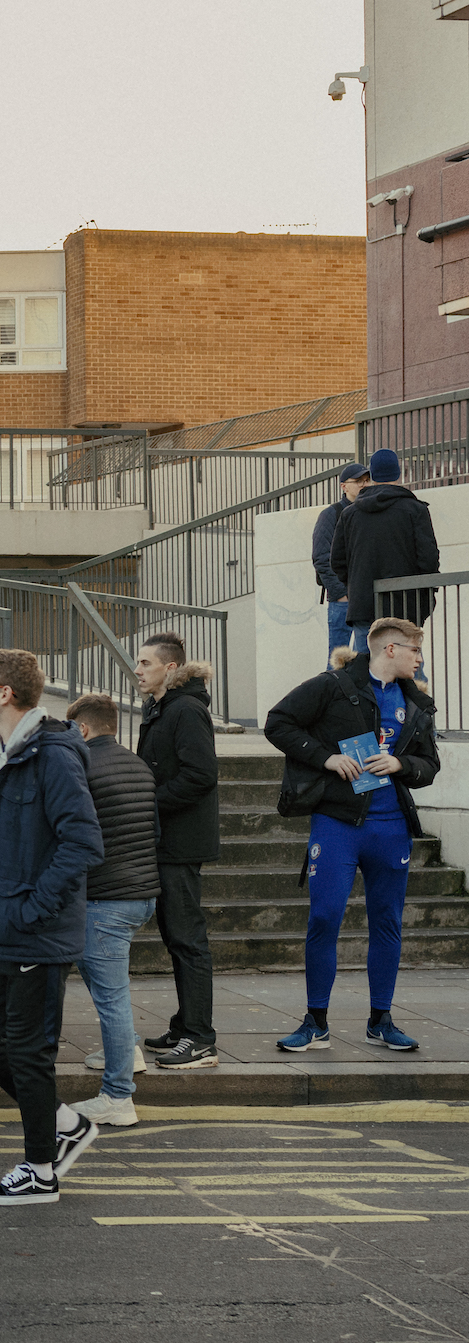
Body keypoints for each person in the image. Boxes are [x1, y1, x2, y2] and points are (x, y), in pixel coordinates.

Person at [0, 648, 105, 1206]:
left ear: (6, 695)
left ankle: (40, 1170)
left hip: (31, 928)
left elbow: (83, 843)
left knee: (27, 1051)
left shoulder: (54, 756)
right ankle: (64, 1120)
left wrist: (32, 908)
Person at [265, 618, 440, 1055]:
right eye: (415, 651)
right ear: (391, 649)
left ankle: (381, 1020)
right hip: (338, 822)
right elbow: (278, 722)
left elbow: (429, 765)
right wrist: (326, 759)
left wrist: (402, 767)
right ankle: (316, 1022)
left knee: (388, 922)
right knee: (324, 917)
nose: (420, 659)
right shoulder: (333, 685)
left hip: (391, 826)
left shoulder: (416, 702)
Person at [65, 692, 159, 1127]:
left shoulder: (83, 765)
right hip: (141, 894)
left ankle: (119, 1095)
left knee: (111, 997)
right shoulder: (136, 763)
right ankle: (122, 1049)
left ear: (82, 728)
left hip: (106, 898)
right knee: (111, 992)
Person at [132, 633, 221, 1071]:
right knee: (177, 938)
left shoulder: (186, 709)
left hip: (180, 843)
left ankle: (201, 1038)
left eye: (145, 663)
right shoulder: (163, 706)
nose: (138, 670)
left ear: (170, 668)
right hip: (166, 840)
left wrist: (148, 800)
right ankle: (186, 1025)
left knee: (187, 940)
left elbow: (201, 774)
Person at [332, 447, 439, 634]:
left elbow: (337, 560)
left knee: (367, 660)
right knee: (408, 659)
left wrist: (355, 585)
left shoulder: (349, 514)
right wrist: (425, 596)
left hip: (363, 605)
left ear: (372, 475)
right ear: (398, 473)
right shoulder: (415, 510)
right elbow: (428, 558)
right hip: (406, 605)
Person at [314, 463, 371, 668]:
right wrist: (341, 593)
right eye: (358, 481)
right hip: (343, 601)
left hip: (364, 599)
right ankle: (334, 699)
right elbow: (321, 557)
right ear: (343, 486)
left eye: (366, 480)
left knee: (365, 660)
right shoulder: (331, 514)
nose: (363, 485)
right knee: (338, 662)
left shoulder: (368, 512)